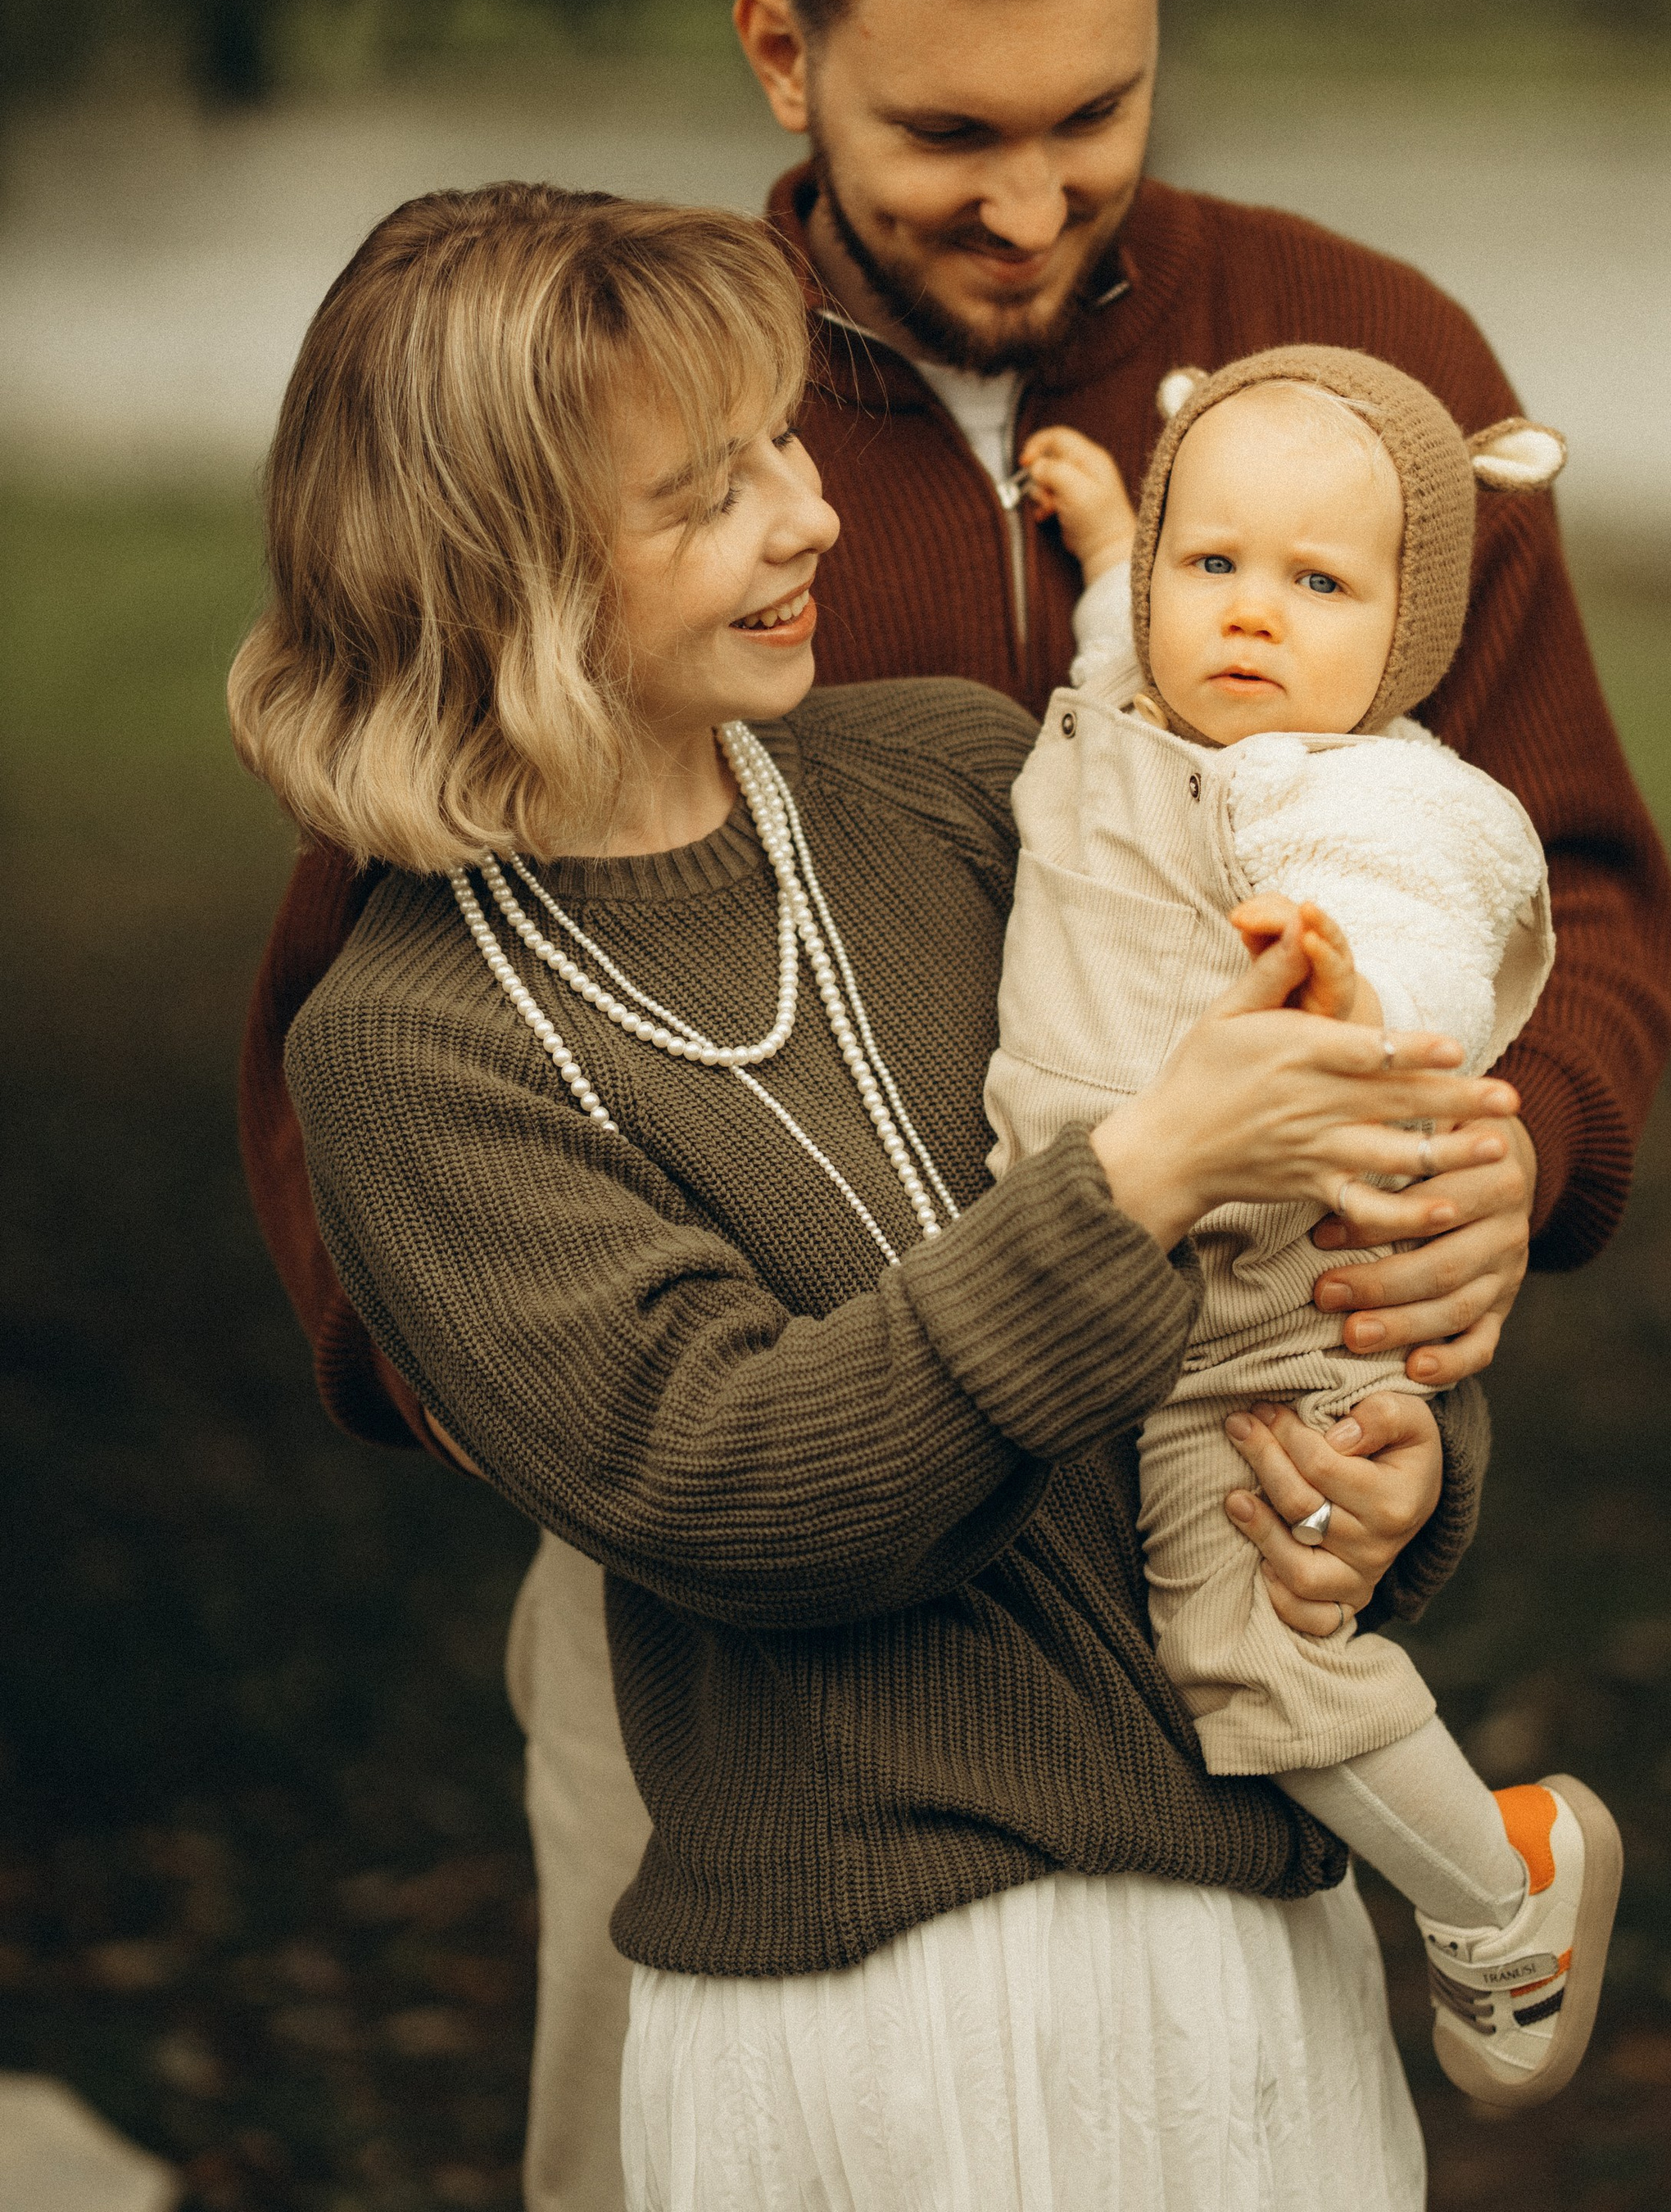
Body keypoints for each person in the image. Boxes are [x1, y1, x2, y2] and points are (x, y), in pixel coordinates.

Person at [234, 0, 1671, 2201]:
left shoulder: (1363, 388)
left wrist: (1486, 1189)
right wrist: (541, 1397)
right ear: (785, 52)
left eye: (1096, 117)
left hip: (1198, 1472)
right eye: (950, 134)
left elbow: (1542, 871)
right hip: (740, 1631)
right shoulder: (615, 418)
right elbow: (395, 982)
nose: (1030, 199)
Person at [229, 183, 1514, 2212]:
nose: (810, 515)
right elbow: (733, 1486)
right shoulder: (410, 1052)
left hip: (1247, 1958)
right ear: (504, 579)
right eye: (704, 493)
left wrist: (1398, 1460)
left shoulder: (950, 778)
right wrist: (1138, 1179)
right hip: (853, 2033)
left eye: (779, 443)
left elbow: (1277, 1249)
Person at [994, 347, 1619, 2110]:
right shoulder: (1141, 695)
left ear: (1408, 626)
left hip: (1256, 1319)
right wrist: (1124, 530)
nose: (1249, 621)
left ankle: (1503, 1894)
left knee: (1246, 1652)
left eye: (1318, 584)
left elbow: (1426, 919)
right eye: (1216, 565)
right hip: (1104, 1262)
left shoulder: (1351, 791)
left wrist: (1344, 987)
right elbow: (1130, 622)